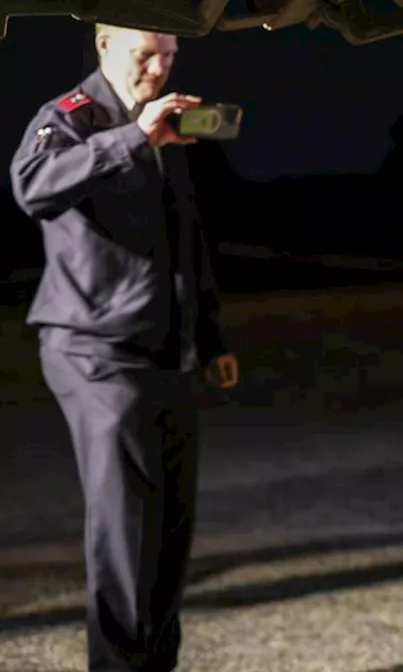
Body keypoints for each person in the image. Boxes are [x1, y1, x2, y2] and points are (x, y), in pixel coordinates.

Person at [8, 23, 239, 672]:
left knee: (171, 532)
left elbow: (186, 236)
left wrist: (212, 334)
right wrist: (133, 137)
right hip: (94, 351)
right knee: (125, 533)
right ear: (104, 44)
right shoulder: (73, 116)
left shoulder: (164, 126)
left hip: (167, 351)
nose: (157, 70)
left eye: (168, 55)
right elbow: (33, 184)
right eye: (144, 55)